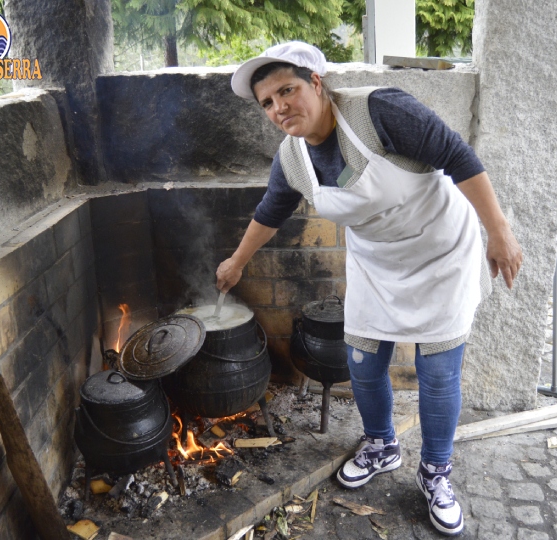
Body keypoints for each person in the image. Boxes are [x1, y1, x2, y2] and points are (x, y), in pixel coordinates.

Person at [216, 41, 522, 537]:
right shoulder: (292, 158)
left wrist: (500, 232)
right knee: (361, 360)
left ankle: (436, 472)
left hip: (441, 252)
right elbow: (271, 211)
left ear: (316, 82)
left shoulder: (378, 110)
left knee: (437, 371)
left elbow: (457, 155)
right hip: (377, 262)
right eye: (267, 103)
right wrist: (235, 262)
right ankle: (382, 444)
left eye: (287, 90)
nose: (279, 109)